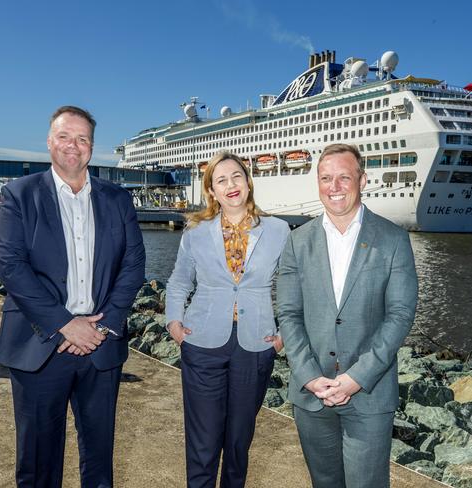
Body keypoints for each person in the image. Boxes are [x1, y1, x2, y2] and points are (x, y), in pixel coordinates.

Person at [0, 106, 146, 487]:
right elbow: (11, 266)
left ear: (92, 147)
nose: (72, 146)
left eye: (82, 139)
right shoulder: (20, 195)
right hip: (40, 344)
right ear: (49, 142)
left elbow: (133, 264)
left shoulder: (117, 199)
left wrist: (104, 325)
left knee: (99, 457)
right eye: (64, 136)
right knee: (38, 460)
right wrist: (64, 324)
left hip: (101, 342)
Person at [277, 143, 417, 488]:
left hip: (369, 393)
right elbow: (288, 313)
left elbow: (400, 315)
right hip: (312, 394)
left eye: (344, 177)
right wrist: (309, 375)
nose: (334, 187)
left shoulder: (393, 239)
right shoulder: (297, 241)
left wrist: (356, 377)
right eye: (326, 178)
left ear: (362, 180)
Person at [166, 151, 289, 488]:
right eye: (221, 180)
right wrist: (174, 323)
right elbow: (179, 281)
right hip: (202, 342)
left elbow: (296, 287)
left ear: (248, 182)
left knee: (238, 444)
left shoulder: (279, 230)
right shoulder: (195, 230)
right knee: (203, 444)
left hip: (255, 345)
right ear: (212, 191)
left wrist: (284, 336)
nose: (230, 185)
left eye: (236, 176)